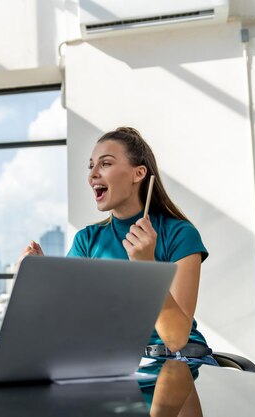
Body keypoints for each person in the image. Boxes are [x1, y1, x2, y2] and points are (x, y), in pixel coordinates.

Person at [20, 127, 215, 365]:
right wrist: (38, 280)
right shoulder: (87, 240)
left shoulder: (180, 235)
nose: (92, 174)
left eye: (105, 164)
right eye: (90, 166)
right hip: (116, 365)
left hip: (179, 362)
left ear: (139, 173)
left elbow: (175, 338)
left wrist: (147, 268)